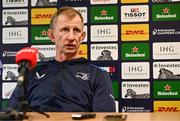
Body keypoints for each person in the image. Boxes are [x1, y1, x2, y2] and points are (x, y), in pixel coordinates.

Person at [8, 7, 115, 112]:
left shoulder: (98, 75)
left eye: (76, 30)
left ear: (82, 36)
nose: (71, 37)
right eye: (65, 30)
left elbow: (104, 118)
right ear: (52, 35)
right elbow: (11, 114)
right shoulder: (32, 74)